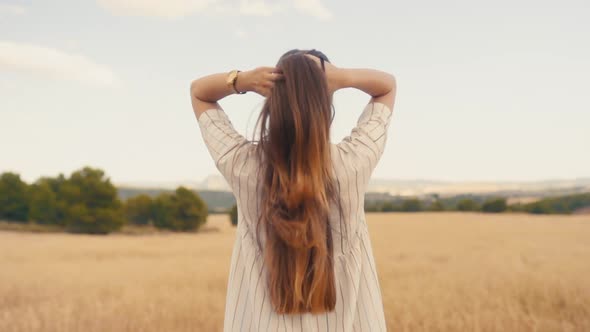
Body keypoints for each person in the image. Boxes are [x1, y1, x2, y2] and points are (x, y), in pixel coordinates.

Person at [190, 48, 396, 331]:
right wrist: (340, 76)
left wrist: (242, 80)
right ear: (327, 102)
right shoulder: (353, 164)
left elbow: (199, 92)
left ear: (272, 99)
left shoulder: (244, 166)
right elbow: (387, 87)